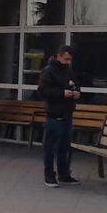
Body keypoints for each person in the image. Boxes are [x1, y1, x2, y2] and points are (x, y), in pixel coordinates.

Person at [37, 45, 81, 187]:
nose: (68, 62)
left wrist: (76, 92)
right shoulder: (48, 71)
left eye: (70, 60)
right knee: (51, 147)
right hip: (54, 114)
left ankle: (64, 174)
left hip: (67, 113)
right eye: (66, 59)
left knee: (64, 147)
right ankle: (49, 175)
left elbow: (75, 85)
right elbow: (43, 90)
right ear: (59, 56)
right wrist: (61, 93)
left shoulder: (68, 71)